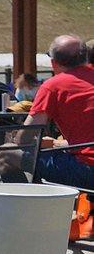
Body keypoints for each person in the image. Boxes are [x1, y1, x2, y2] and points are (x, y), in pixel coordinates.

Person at [21, 34, 94, 188]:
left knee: (7, 155)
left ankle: (25, 208)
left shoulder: (53, 86)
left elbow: (25, 137)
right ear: (85, 58)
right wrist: (56, 144)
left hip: (87, 169)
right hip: (84, 161)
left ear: (53, 63)